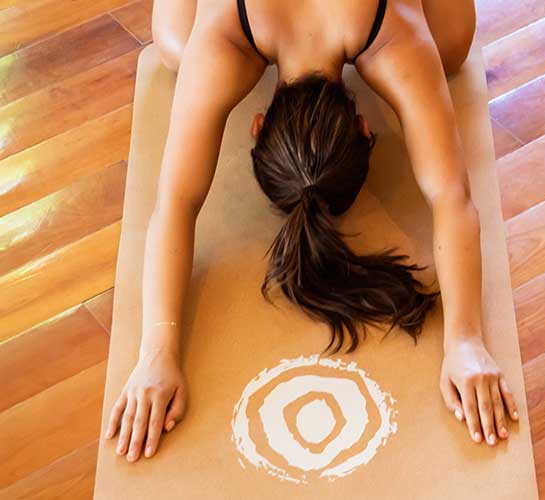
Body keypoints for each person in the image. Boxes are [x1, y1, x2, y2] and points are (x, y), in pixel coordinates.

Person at [104, 0, 520, 463]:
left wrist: (465, 342)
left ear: (363, 125)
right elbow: (174, 206)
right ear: (258, 127)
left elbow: (453, 199)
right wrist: (155, 351)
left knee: (448, 49)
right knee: (177, 49)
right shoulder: (235, 36)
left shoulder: (389, 30)